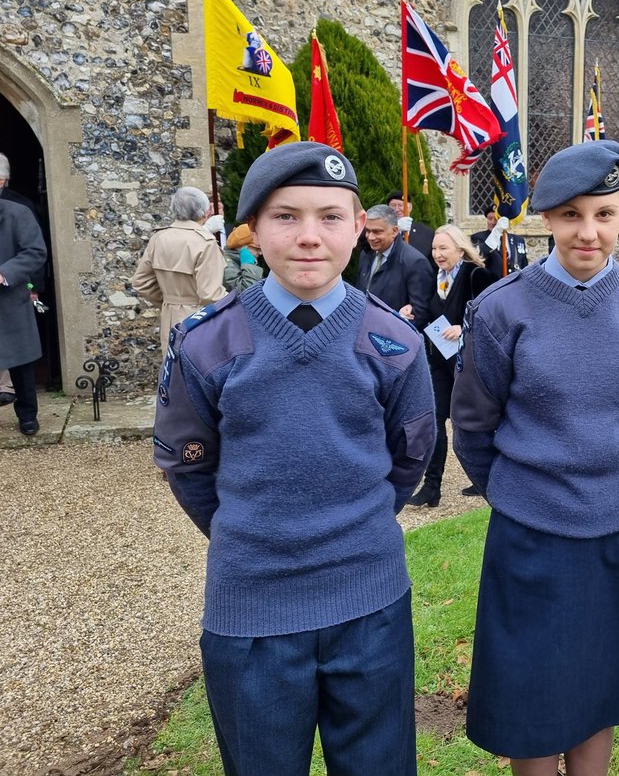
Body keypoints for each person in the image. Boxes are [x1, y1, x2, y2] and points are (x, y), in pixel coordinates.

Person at [153, 141, 436, 776]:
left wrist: (353, 525)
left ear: (358, 227)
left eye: (330, 216)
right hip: (251, 608)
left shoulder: (393, 342)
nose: (310, 236)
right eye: (286, 216)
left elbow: (409, 457)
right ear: (253, 230)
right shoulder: (206, 342)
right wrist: (256, 532)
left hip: (369, 604)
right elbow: (190, 467)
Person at [451, 139, 619, 776]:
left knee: (601, 679)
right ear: (547, 218)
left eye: (604, 214)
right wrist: (524, 491)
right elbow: (473, 425)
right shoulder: (501, 309)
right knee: (529, 683)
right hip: (532, 530)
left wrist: (617, 473)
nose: (588, 232)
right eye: (571, 215)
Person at [408, 224, 496, 508]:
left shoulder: (476, 275)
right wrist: (411, 311)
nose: (437, 254)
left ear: (460, 249)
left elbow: (493, 315)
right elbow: (429, 313)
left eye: (443, 248)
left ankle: (486, 477)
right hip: (439, 361)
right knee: (435, 420)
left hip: (469, 364)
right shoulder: (436, 278)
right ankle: (431, 487)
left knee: (468, 423)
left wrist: (463, 328)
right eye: (434, 248)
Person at [132, 186, 227, 358]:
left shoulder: (158, 238)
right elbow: (211, 294)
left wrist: (171, 302)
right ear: (205, 212)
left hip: (169, 317)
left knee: (173, 370)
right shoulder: (205, 242)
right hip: (198, 320)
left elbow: (141, 282)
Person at [0, 197, 48, 435]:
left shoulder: (18, 213)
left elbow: (36, 251)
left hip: (10, 298)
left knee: (20, 361)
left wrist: (4, 272)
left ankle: (27, 414)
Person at [355, 204, 436, 330]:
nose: (370, 237)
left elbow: (420, 312)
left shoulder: (414, 262)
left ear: (394, 231)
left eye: (377, 232)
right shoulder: (366, 255)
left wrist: (392, 332)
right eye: (368, 231)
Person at [472, 210, 530, 279]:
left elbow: (524, 265)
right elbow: (480, 256)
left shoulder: (518, 240)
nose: (492, 222)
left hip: (513, 283)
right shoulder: (479, 238)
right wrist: (496, 232)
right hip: (493, 283)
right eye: (490, 218)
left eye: (496, 219)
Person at [385, 192, 435, 260]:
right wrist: (396, 229)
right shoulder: (381, 231)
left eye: (401, 205)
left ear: (410, 207)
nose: (396, 209)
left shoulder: (426, 233)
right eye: (393, 206)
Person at [221, 223, 264, 292]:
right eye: (257, 248)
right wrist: (249, 265)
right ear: (242, 247)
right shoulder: (227, 265)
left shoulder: (237, 262)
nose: (260, 253)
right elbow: (247, 291)